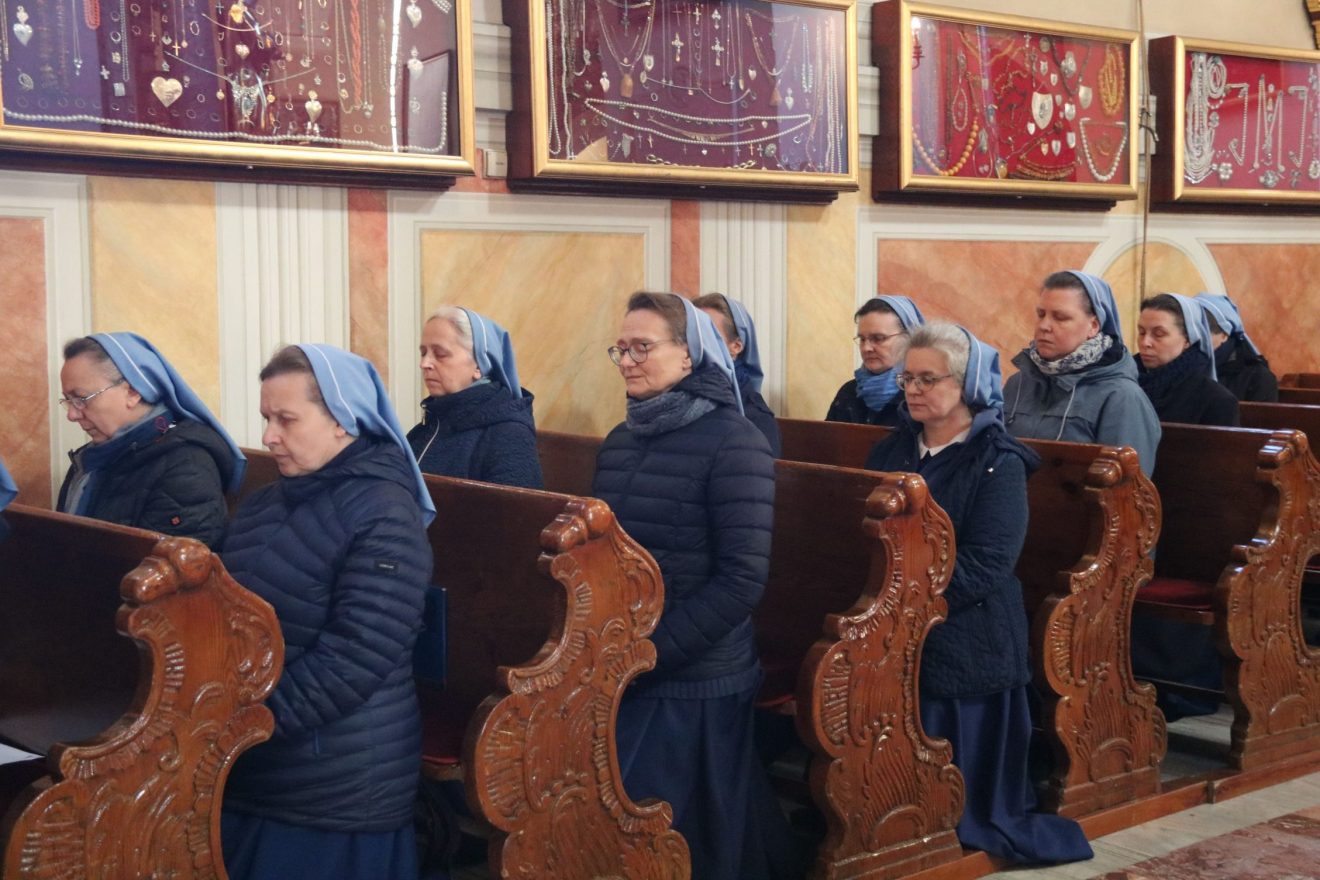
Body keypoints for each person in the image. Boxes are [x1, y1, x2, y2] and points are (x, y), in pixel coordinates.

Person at [864, 323, 1093, 866]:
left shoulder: (998, 459)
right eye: (907, 378)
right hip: (897, 617)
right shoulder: (892, 449)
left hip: (968, 628)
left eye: (928, 379)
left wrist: (912, 611)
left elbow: (989, 563)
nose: (914, 389)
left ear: (966, 385)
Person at [593, 292, 800, 879]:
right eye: (620, 349)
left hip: (697, 670)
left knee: (680, 832)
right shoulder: (621, 440)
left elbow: (740, 580)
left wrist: (650, 654)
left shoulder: (736, 442)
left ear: (689, 355)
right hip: (628, 660)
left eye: (643, 347)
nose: (627, 361)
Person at [220, 344, 434, 880]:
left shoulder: (385, 514)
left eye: (286, 419)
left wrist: (244, 722)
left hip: (335, 782)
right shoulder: (265, 503)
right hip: (260, 761)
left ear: (343, 420)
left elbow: (355, 658)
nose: (269, 436)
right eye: (267, 418)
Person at [56, 333, 245, 549]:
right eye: (68, 401)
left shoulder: (186, 467)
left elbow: (176, 567)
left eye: (81, 399)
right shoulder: (91, 457)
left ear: (133, 392)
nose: (72, 414)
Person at [1004, 271, 1161, 475]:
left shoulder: (1122, 397)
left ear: (1093, 326)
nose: (1044, 326)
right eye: (1041, 314)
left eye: (1060, 318)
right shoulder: (1018, 384)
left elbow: (1127, 487)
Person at [407, 307, 543, 489]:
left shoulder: (509, 434)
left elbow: (517, 506)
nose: (424, 364)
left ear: (479, 365)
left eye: (440, 354)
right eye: (423, 353)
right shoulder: (429, 425)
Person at [693, 292, 782, 456]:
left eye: (709, 334)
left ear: (736, 346)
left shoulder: (755, 417)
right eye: (693, 334)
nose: (696, 344)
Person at [1136, 294, 1239, 426]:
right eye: (1142, 332)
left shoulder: (1216, 400)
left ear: (1188, 339)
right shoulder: (1124, 382)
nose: (1145, 342)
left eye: (1159, 334)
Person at [827, 295, 926, 426]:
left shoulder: (923, 393)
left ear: (909, 338)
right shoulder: (849, 392)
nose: (866, 348)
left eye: (878, 338)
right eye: (862, 339)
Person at [1196, 293, 1279, 402]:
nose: (1192, 341)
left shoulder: (1258, 378)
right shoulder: (1183, 366)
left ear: (1224, 335)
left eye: (1201, 334)